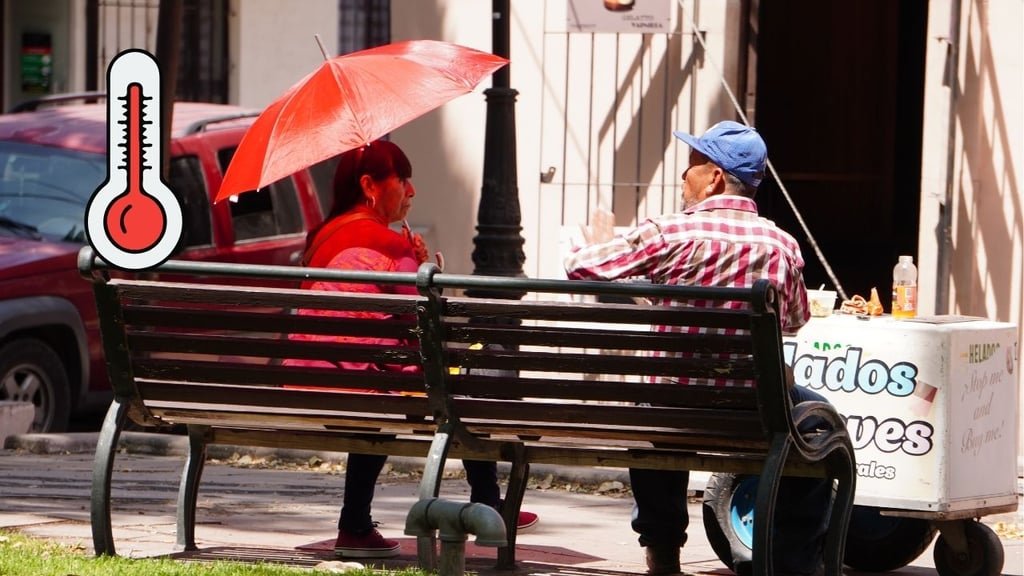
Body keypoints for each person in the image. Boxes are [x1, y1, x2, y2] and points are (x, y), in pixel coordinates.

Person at [563, 121, 832, 576]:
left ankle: (663, 550)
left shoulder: (668, 233)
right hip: (753, 413)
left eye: (691, 166)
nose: (682, 177)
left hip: (670, 408)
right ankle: (794, 562)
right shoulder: (782, 245)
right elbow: (796, 320)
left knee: (654, 405)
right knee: (822, 423)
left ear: (714, 177)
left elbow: (578, 268)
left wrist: (599, 245)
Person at [284, 139, 536, 559]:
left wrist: (414, 263)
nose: (412, 191)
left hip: (315, 381)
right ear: (370, 185)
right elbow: (428, 329)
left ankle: (356, 524)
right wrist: (426, 271)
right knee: (465, 378)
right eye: (402, 180)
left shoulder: (323, 236)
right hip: (367, 386)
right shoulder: (388, 244)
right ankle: (490, 501)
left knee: (389, 393)